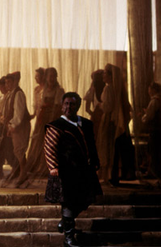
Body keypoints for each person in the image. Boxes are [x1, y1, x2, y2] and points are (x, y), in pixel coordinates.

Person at [44, 92, 102, 247]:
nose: (69, 107)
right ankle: (68, 238)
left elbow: (91, 144)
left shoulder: (86, 124)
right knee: (68, 203)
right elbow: (49, 148)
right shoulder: (56, 125)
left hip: (84, 170)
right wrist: (53, 167)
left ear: (78, 106)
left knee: (86, 199)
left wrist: (95, 161)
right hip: (65, 171)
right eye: (66, 104)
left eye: (72, 104)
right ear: (62, 106)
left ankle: (65, 221)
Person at [97, 63, 133, 185]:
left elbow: (108, 107)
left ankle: (108, 176)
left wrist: (100, 105)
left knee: (108, 147)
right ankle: (114, 175)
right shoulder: (117, 89)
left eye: (105, 73)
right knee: (113, 148)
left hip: (109, 120)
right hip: (114, 120)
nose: (103, 75)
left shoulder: (108, 88)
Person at [25, 67, 64, 178]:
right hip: (42, 120)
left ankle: (48, 168)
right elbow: (39, 106)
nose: (51, 78)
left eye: (53, 76)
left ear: (56, 77)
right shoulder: (43, 90)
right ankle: (37, 167)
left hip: (52, 119)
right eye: (49, 76)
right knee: (39, 143)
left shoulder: (59, 91)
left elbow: (57, 108)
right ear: (46, 77)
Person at [2, 71, 32, 185]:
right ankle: (21, 172)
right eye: (6, 83)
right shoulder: (11, 94)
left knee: (19, 150)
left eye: (9, 82)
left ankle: (23, 173)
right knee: (17, 150)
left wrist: (13, 125)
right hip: (15, 126)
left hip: (20, 126)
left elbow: (19, 113)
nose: (7, 85)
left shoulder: (18, 94)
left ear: (15, 82)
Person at [141, 82, 161, 185]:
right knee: (157, 150)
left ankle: (153, 171)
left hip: (155, 129)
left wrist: (143, 117)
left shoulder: (154, 100)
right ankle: (157, 170)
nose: (148, 91)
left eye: (149, 89)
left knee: (152, 150)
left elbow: (149, 116)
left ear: (153, 90)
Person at [83, 69, 105, 138]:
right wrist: (94, 115)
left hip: (101, 117)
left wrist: (94, 115)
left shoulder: (107, 90)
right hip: (99, 118)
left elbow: (87, 109)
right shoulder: (92, 91)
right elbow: (87, 109)